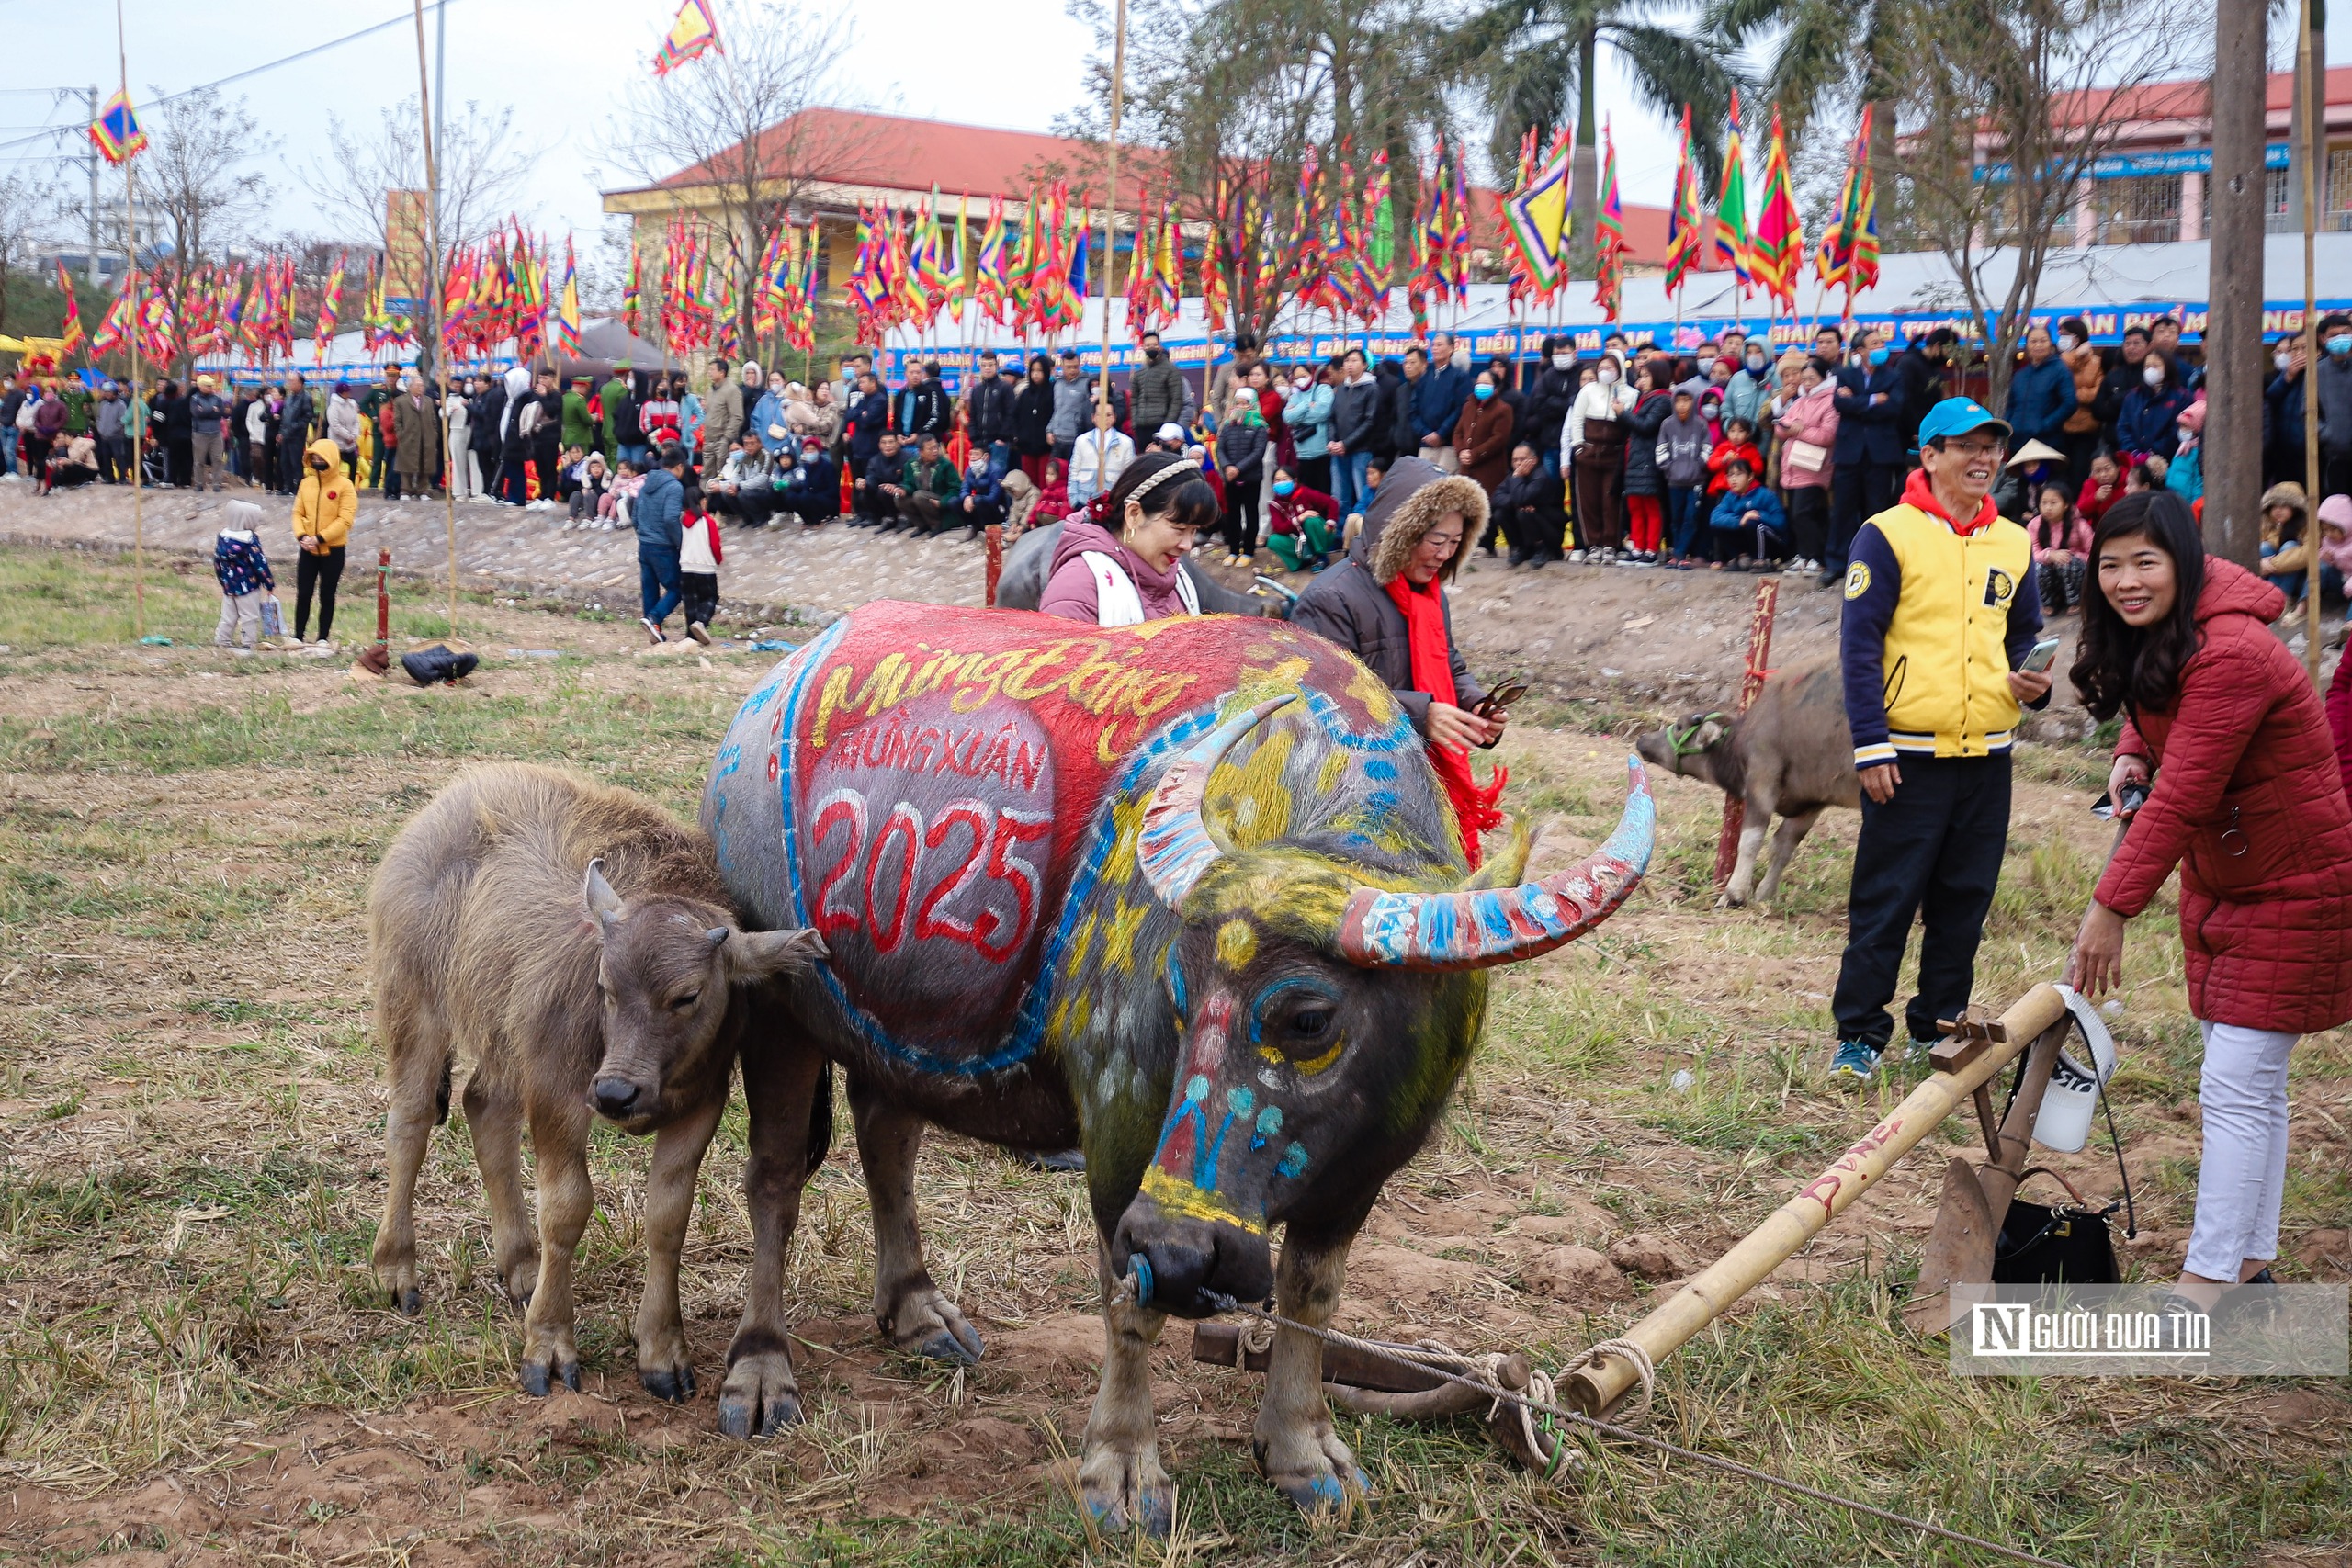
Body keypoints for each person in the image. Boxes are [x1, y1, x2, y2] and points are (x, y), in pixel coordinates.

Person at [2064, 491, 2352, 1308]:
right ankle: (2251, 1266)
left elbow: (2187, 788)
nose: (2126, 580)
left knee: (2234, 1084)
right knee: (2251, 1086)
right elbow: (2157, 707)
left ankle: (2209, 1279)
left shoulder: (2233, 652)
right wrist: (2127, 749)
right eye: (2110, 563)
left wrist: (2110, 907)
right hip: (2233, 878)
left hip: (2294, 885)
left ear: (2182, 563)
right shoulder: (2172, 628)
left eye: (2145, 562)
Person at [1828, 397, 2051, 1086]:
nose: (1983, 459)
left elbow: (2023, 631)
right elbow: (1858, 646)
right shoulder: (1886, 534)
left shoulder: (2013, 541)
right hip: (1905, 756)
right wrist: (1871, 744)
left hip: (1988, 754)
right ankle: (1860, 1035)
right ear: (1930, 456)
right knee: (1886, 898)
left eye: (1992, 447)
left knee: (1965, 898)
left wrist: (2029, 677)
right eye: (1966, 447)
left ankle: (1942, 1025)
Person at [1290, 457, 1509, 864]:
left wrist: (1475, 705)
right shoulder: (1331, 599)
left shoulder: (1428, 594)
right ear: (1402, 533)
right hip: (1352, 794)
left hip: (1420, 781)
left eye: (1457, 541)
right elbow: (1324, 703)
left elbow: (1449, 664)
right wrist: (1420, 715)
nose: (1445, 553)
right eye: (1436, 539)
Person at [1038, 450, 1217, 626]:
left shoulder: (1179, 580)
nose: (1187, 545)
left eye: (1194, 530)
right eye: (1179, 528)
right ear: (1133, 514)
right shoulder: (1076, 591)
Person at [1827, 328, 1904, 587]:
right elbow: (1840, 405)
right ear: (1860, 351)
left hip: (1880, 454)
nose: (1881, 346)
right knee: (1843, 510)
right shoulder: (1844, 374)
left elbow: (1894, 407)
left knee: (1877, 511)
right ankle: (1837, 564)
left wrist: (1858, 403)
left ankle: (1876, 565)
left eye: (1882, 342)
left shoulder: (1894, 376)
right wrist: (1873, 400)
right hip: (1849, 453)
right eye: (1874, 343)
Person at [1566, 353, 1636, 562]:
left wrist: (1621, 412)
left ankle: (1610, 544)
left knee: (1611, 500)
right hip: (1588, 453)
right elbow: (1577, 420)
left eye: (1610, 367)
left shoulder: (1631, 394)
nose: (1605, 371)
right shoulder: (1588, 390)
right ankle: (1593, 545)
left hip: (1613, 455)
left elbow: (1631, 424)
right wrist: (1578, 446)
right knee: (1589, 501)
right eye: (1602, 367)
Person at [1773, 356, 1838, 575]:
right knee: (1796, 514)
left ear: (1824, 378)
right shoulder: (1800, 401)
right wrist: (1791, 427)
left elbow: (1827, 435)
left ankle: (1816, 557)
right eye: (1805, 379)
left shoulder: (1830, 401)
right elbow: (1781, 427)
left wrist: (1800, 430)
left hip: (1814, 468)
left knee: (1805, 514)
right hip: (1791, 466)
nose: (1807, 383)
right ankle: (1803, 555)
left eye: (1812, 378)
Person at [290, 438, 355, 645]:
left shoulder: (345, 486)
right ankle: (298, 635)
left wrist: (320, 538)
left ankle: (323, 637)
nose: (317, 461)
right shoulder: (305, 483)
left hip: (333, 550)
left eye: (321, 457)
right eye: (314, 457)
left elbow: (345, 519)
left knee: (327, 595)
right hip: (307, 548)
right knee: (304, 593)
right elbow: (297, 513)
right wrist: (302, 536)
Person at [635, 444, 688, 643]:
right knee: (677, 588)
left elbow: (635, 514)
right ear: (679, 466)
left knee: (650, 588)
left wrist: (641, 533)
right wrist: (681, 543)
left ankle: (653, 628)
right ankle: (654, 618)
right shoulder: (674, 487)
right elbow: (670, 519)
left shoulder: (646, 483)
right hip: (663, 545)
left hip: (644, 543)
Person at [1214, 385, 1269, 564]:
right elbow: (1220, 448)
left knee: (1251, 514)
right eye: (1237, 403)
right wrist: (1227, 467)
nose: (1240, 407)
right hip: (1230, 478)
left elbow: (1258, 452)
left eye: (1244, 403)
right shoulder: (1228, 426)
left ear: (1252, 405)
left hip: (1251, 478)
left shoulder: (1259, 426)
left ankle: (1249, 552)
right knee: (1233, 515)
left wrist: (1238, 468)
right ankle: (1233, 550)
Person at [1490, 441, 1566, 568]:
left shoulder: (1541, 476)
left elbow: (1522, 497)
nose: (1518, 463)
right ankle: (1520, 548)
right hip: (1527, 528)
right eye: (1515, 460)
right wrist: (1516, 503)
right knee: (1500, 514)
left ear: (1534, 460)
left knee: (1524, 513)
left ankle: (1543, 549)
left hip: (1550, 529)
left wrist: (1517, 481)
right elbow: (1496, 497)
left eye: (1522, 459)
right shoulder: (1513, 476)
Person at [212, 501, 276, 650]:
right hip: (249, 586)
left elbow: (217, 562)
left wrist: (222, 580)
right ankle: (248, 643)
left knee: (228, 616)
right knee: (249, 616)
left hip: (229, 586)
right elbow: (259, 563)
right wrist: (269, 582)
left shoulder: (223, 538)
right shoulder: (249, 540)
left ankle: (222, 640)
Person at [2004, 323, 2073, 458]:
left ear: (2050, 344)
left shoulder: (2060, 370)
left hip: (2046, 442)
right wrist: (2009, 425)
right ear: (2027, 345)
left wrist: (2046, 425)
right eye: (2033, 341)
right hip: (2017, 441)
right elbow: (2011, 404)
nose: (2038, 345)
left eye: (2043, 341)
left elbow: (2070, 403)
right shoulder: (2021, 374)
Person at [1328, 348, 1382, 520]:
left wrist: (1347, 444)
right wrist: (1332, 440)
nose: (1350, 365)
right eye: (1347, 361)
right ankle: (1339, 534)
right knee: (1338, 495)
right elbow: (1332, 418)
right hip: (1338, 450)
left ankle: (1361, 533)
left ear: (1365, 365)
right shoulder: (1341, 389)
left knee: (1362, 494)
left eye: (1354, 361)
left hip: (1361, 450)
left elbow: (1370, 421)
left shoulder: (1371, 388)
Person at [1706, 455, 1786, 570]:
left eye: (1739, 474)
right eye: (1730, 475)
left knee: (1753, 523)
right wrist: (1740, 520)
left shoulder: (1765, 494)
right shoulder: (1730, 496)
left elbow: (1781, 523)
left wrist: (1760, 516)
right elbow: (1715, 517)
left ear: (1750, 476)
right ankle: (1742, 558)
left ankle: (1762, 561)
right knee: (1717, 526)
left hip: (1774, 543)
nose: (1733, 479)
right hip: (1749, 541)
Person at [2030, 481, 2096, 614]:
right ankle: (2048, 603)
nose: (2048, 508)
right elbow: (2031, 552)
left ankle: (2075, 601)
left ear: (2065, 505)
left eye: (2053, 503)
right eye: (2044, 503)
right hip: (2051, 572)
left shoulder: (2079, 525)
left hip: (2075, 573)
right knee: (2037, 567)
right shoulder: (2034, 525)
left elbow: (2094, 554)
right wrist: (2049, 555)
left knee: (2068, 563)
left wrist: (2072, 556)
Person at [1409, 336, 1471, 473]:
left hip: (1447, 444)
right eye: (1433, 345)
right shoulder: (1424, 378)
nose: (1435, 349)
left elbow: (1461, 408)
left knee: (1445, 487)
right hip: (1426, 443)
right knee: (1424, 486)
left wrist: (1441, 433)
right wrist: (1425, 432)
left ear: (1450, 349)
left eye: (1439, 345)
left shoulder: (1459, 377)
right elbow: (1413, 410)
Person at [2117, 352, 2189, 464]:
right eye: (2147, 366)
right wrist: (2133, 452)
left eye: (2155, 366)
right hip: (2135, 463)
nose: (2150, 370)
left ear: (2167, 367)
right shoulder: (2133, 396)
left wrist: (2154, 452)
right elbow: (2123, 427)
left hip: (2169, 461)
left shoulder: (2181, 396)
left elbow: (2178, 429)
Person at [1263, 466, 1340, 571]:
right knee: (1273, 540)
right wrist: (1298, 519)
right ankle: (1303, 561)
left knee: (1310, 520)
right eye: (1277, 480)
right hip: (1299, 541)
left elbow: (1332, 502)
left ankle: (1322, 556)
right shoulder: (1274, 505)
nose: (1281, 483)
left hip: (1319, 535)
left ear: (1294, 481)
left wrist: (1330, 523)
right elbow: (1279, 527)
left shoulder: (1304, 493)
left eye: (1285, 479)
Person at [1068, 400, 1136, 512]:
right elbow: (1074, 471)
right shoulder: (1082, 441)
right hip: (1084, 501)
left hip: (1112, 502)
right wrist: (1074, 500)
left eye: (1109, 415)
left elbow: (1130, 475)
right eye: (1100, 415)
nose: (1105, 419)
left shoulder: (1126, 442)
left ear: (1114, 417)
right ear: (1093, 417)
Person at [1282, 362, 1335, 496]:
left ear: (1311, 374)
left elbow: (1323, 412)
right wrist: (1307, 405)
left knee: (1324, 492)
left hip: (1322, 452)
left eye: (1303, 375)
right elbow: (1288, 418)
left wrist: (1298, 413)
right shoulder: (1295, 396)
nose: (1301, 379)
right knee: (1306, 495)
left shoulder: (1323, 389)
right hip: (1303, 454)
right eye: (1297, 377)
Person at [678, 488, 722, 645]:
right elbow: (715, 544)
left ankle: (690, 636)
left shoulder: (682, 521)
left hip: (686, 567)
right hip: (705, 566)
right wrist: (718, 559)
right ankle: (701, 622)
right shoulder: (708, 521)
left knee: (690, 602)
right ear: (702, 501)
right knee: (710, 597)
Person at [893, 432, 962, 534]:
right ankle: (922, 525)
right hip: (922, 499)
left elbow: (956, 489)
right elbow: (909, 484)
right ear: (921, 452)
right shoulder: (911, 464)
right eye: (930, 449)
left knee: (919, 495)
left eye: (936, 447)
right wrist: (903, 489)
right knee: (899, 498)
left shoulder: (946, 465)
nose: (935, 451)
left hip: (940, 500)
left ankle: (937, 525)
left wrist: (942, 502)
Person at [1129, 333, 1187, 447]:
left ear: (1159, 346)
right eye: (1148, 345)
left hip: (1161, 426)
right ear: (1143, 347)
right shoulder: (1139, 373)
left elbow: (1176, 400)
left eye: (1154, 345)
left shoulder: (1171, 370)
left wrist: (1167, 425)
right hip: (1142, 426)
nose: (1151, 348)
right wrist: (1135, 423)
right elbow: (1134, 400)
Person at [2317, 314, 2352, 502]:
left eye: (2346, 333)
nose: (2341, 338)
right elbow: (2307, 412)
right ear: (2323, 339)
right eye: (2334, 334)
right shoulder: (2317, 372)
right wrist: (2326, 433)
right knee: (2336, 507)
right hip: (2334, 455)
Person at [708, 432, 776, 526]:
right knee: (727, 493)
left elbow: (763, 479)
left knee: (743, 494)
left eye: (752, 443)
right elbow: (738, 475)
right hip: (748, 488)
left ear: (759, 443)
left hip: (765, 490)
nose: (749, 446)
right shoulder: (745, 457)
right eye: (746, 444)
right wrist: (733, 486)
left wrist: (739, 486)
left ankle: (761, 517)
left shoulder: (766, 455)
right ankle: (747, 518)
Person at [392, 373, 442, 501]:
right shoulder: (401, 401)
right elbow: (397, 421)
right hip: (408, 437)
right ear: (410, 387)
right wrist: (401, 434)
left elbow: (433, 419)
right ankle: (405, 491)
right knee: (406, 465)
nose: (421, 388)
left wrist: (434, 434)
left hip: (427, 437)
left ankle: (423, 490)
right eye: (418, 385)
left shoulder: (428, 401)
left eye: (422, 385)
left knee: (425, 464)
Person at [774, 439, 839, 527]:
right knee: (791, 496)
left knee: (806, 497)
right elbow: (806, 485)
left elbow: (833, 490)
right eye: (807, 450)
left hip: (827, 499)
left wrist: (814, 495)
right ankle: (807, 520)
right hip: (811, 496)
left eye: (812, 449)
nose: (809, 452)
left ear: (818, 450)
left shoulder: (827, 466)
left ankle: (818, 519)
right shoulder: (807, 465)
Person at [702, 358, 749, 461]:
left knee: (722, 473)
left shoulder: (732, 390)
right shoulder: (710, 391)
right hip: (709, 439)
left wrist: (726, 439)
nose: (709, 372)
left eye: (712, 369)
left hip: (722, 440)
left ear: (722, 372)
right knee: (706, 474)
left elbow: (737, 417)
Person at [854, 430, 903, 527]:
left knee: (885, 491)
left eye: (891, 442)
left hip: (899, 496)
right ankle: (876, 517)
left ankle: (893, 517)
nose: (887, 446)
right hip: (883, 497)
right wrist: (865, 484)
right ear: (879, 445)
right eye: (884, 442)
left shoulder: (907, 458)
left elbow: (911, 481)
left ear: (897, 443)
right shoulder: (874, 461)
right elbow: (872, 479)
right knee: (864, 494)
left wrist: (897, 486)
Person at [187, 376, 228, 492]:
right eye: (207, 386)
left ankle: (217, 483)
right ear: (200, 386)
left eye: (211, 386)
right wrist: (211, 409)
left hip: (216, 433)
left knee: (218, 459)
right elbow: (196, 413)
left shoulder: (217, 398)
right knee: (199, 460)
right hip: (200, 433)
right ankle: (199, 483)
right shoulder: (194, 399)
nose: (210, 388)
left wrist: (205, 410)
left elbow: (220, 413)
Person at [952, 448, 1004, 538]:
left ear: (986, 456)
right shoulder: (969, 470)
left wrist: (973, 499)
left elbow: (994, 497)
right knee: (954, 502)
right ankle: (974, 526)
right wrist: (966, 497)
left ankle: (989, 529)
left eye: (976, 454)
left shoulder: (995, 470)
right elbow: (964, 488)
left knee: (978, 500)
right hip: (977, 503)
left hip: (995, 508)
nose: (972, 457)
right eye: (971, 454)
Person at [1048, 351, 1090, 461]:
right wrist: (1049, 430)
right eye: (1069, 367)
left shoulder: (1087, 383)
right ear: (1062, 366)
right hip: (1057, 439)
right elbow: (1056, 410)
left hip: (1075, 439)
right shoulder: (1058, 384)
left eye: (1075, 367)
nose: (1073, 370)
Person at [2165, 399, 2206, 504]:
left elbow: (2199, 485)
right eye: (2181, 426)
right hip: (2173, 502)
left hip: (2187, 507)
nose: (2182, 430)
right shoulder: (2183, 448)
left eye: (2186, 427)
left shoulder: (2198, 453)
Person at [444, 378, 475, 502]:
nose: (457, 386)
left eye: (459, 385)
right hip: (457, 429)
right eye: (455, 384)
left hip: (470, 430)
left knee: (472, 460)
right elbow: (443, 412)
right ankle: (459, 491)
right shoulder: (450, 398)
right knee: (458, 461)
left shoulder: (470, 398)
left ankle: (475, 490)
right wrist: (450, 410)